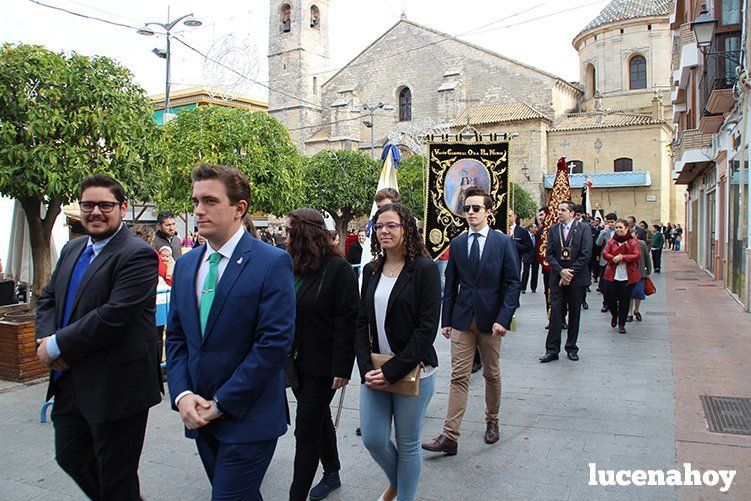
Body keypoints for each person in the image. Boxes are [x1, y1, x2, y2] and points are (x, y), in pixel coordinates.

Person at [166, 163, 295, 500]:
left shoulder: (272, 262)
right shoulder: (185, 265)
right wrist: (181, 395)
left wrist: (221, 402)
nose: (198, 210)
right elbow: (177, 338)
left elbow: (274, 345)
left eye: (209, 201)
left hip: (249, 417)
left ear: (240, 209)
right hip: (199, 415)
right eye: (195, 201)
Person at [35, 175, 162, 500]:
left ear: (121, 208)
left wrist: (56, 345)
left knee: (116, 475)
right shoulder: (72, 248)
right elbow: (48, 298)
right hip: (70, 381)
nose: (95, 212)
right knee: (70, 456)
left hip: (117, 386)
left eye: (105, 205)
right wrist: (46, 338)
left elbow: (114, 315)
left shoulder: (137, 255)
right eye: (88, 205)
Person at [423, 186, 520, 455]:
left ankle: (492, 421)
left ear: (489, 212)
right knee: (458, 376)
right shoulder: (457, 243)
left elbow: (512, 283)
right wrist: (447, 320)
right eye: (466, 208)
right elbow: (450, 283)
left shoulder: (502, 242)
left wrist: (504, 318)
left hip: (492, 321)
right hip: (462, 320)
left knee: (491, 373)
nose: (470, 213)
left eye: (476, 208)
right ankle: (450, 436)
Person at [356, 203, 441, 501]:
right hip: (375, 370)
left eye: (392, 225)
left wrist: (393, 371)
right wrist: (366, 368)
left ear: (407, 229)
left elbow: (426, 329)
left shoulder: (425, 270)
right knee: (374, 439)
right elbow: (361, 321)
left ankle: (405, 496)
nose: (384, 231)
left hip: (414, 371)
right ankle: (399, 482)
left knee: (407, 444)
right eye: (379, 226)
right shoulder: (371, 270)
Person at [285, 209, 358, 501]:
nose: (285, 237)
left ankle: (296, 496)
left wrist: (342, 367)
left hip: (324, 365)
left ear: (305, 233)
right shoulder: (293, 265)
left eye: (290, 232)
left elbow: (348, 320)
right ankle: (332, 471)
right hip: (297, 363)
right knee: (318, 419)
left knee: (305, 432)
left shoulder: (337, 268)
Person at [540, 200, 592, 363]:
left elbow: (586, 253)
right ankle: (552, 349)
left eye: (563, 210)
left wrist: (570, 273)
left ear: (571, 213)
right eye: (558, 209)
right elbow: (549, 254)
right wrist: (561, 271)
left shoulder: (583, 228)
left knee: (574, 313)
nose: (559, 212)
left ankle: (571, 347)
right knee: (555, 313)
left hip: (576, 279)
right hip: (557, 277)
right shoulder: (554, 229)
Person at [601, 219, 641, 334]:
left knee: (624, 300)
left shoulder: (632, 242)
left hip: (627, 275)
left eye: (621, 228)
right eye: (617, 228)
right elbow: (605, 253)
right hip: (612, 274)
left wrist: (623, 257)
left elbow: (637, 255)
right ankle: (614, 315)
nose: (618, 230)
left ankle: (621, 324)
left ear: (626, 229)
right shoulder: (611, 241)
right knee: (610, 298)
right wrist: (612, 258)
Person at [628, 230, 652, 323]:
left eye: (633, 236)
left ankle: (636, 310)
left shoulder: (642, 244)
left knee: (638, 292)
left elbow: (647, 257)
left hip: (640, 272)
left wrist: (649, 269)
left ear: (637, 236)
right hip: (629, 272)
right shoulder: (626, 244)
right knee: (629, 294)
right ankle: (629, 313)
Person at [596, 213, 618, 311]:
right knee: (605, 284)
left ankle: (616, 302)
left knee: (616, 283)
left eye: (612, 222)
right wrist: (604, 231)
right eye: (608, 222)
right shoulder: (604, 232)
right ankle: (606, 303)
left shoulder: (620, 231)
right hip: (605, 260)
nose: (610, 224)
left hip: (617, 260)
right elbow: (598, 243)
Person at [521, 222, 539, 294]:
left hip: (535, 257)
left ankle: (533, 288)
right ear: (530, 228)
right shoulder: (525, 235)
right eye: (535, 228)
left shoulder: (537, 235)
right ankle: (523, 288)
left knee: (535, 273)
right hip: (527, 256)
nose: (536, 229)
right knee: (526, 272)